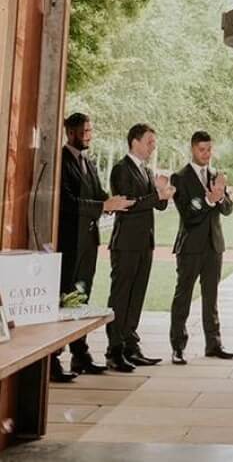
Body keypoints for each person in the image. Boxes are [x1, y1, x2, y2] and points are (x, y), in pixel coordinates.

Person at [54, 113, 133, 382]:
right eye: (85, 131)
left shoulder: (87, 161)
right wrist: (103, 206)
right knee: (64, 297)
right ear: (71, 133)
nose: (89, 135)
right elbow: (66, 202)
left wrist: (115, 202)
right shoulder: (61, 161)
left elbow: (97, 193)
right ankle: (53, 359)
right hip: (69, 242)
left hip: (88, 242)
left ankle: (80, 354)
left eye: (90, 130)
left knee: (82, 296)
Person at [106, 124, 175, 372]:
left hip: (145, 243)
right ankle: (114, 351)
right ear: (134, 142)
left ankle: (131, 347)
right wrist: (157, 196)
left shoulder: (146, 170)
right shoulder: (120, 169)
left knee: (136, 296)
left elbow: (159, 205)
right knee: (121, 297)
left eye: (154, 142)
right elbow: (127, 203)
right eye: (149, 142)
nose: (153, 147)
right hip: (126, 244)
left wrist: (161, 191)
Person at [169, 131, 233, 365]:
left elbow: (228, 209)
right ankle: (178, 348)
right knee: (183, 297)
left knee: (211, 298)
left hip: (214, 246)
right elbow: (188, 214)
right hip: (190, 247)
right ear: (192, 149)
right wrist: (209, 201)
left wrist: (220, 198)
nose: (207, 154)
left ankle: (214, 344)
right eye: (202, 150)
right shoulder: (179, 178)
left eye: (209, 149)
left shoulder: (216, 175)